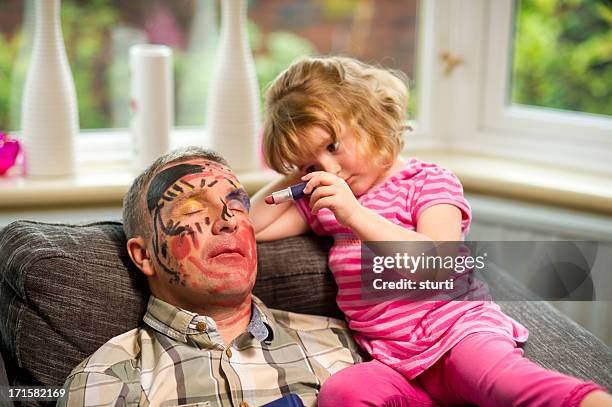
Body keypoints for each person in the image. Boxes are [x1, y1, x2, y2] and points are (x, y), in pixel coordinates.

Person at [251, 56, 612, 407]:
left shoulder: (426, 182)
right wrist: (299, 174)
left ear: (370, 118)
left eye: (333, 146)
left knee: (502, 381)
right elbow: (252, 225)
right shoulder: (331, 203)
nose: (331, 169)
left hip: (457, 335)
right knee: (343, 393)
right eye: (313, 164)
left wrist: (355, 214)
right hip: (393, 360)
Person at [58, 147, 362, 407]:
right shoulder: (106, 379)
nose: (227, 221)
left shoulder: (342, 345)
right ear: (144, 256)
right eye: (191, 208)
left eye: (237, 205)